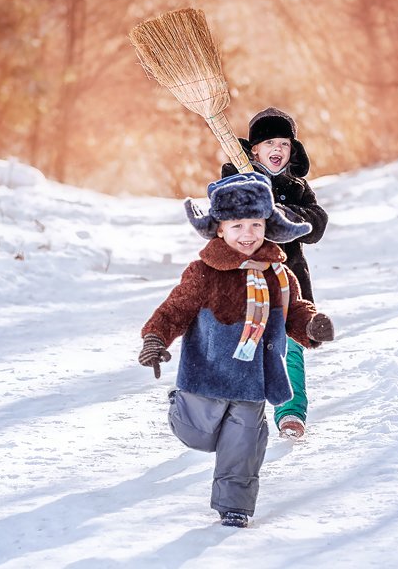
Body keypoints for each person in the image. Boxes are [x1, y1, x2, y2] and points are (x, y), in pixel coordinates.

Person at [138, 172, 335, 528]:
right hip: (206, 375)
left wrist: (311, 325)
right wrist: (155, 338)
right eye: (238, 225)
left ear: (268, 226)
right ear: (219, 229)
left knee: (243, 446)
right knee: (197, 434)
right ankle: (178, 405)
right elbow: (174, 310)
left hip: (253, 380)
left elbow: (295, 312)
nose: (247, 234)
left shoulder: (280, 274)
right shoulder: (203, 273)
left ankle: (235, 507)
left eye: (256, 224)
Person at [222, 107, 328, 439]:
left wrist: (282, 213)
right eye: (269, 142)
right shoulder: (236, 181)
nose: (277, 149)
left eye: (284, 142)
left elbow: (316, 224)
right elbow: (220, 220)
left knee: (290, 350)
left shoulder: (296, 188)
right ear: (253, 150)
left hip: (288, 284)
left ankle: (291, 412)